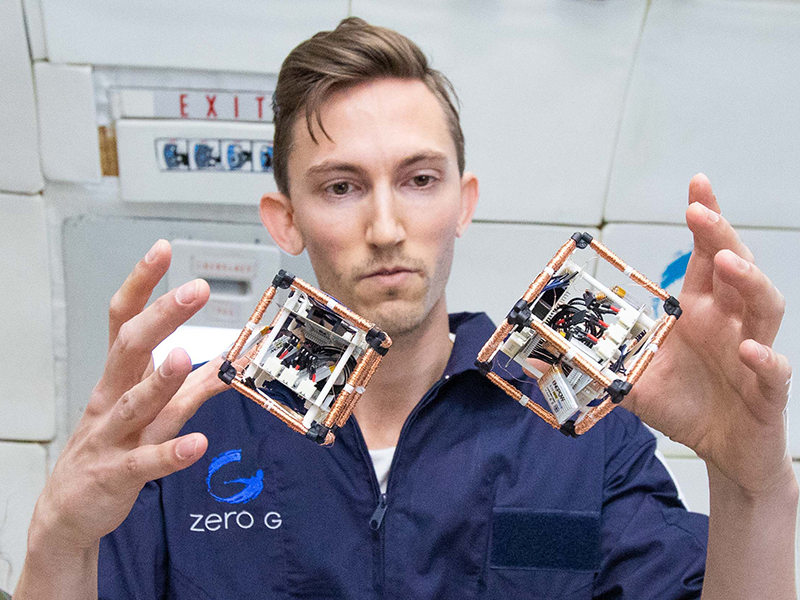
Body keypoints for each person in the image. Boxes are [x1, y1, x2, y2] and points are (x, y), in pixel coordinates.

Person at [15, 17, 796, 600]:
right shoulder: (188, 431)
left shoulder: (581, 423)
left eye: (420, 180)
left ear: (464, 202)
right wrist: (57, 537)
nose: (386, 227)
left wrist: (753, 488)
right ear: (284, 218)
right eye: (341, 186)